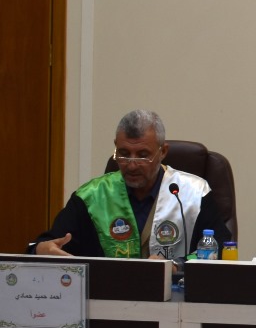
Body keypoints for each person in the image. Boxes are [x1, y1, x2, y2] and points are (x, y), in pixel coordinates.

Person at [31, 109, 231, 259]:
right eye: (124, 154)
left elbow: (222, 249)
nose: (132, 165)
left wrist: (177, 265)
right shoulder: (92, 196)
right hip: (108, 296)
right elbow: (47, 243)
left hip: (178, 296)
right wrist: (40, 249)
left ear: (163, 152)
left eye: (143, 155)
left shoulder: (193, 193)